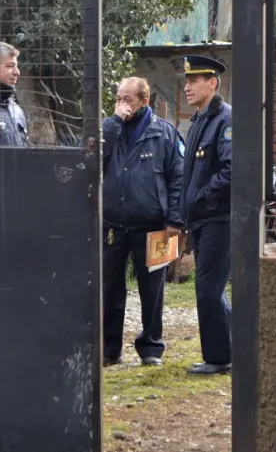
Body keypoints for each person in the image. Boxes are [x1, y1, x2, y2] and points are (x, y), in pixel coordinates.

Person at [101, 77, 184, 367]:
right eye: (119, 98)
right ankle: (109, 349)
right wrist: (112, 122)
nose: (122, 104)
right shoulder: (109, 129)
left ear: (144, 101)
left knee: (153, 290)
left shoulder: (165, 134)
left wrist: (175, 219)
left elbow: (179, 179)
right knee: (110, 287)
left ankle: (151, 348)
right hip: (112, 225)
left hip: (155, 226)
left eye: (128, 99)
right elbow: (88, 157)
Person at [179, 54, 232, 375]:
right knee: (210, 288)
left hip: (217, 218)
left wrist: (202, 198)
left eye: (193, 80)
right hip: (200, 217)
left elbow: (231, 170)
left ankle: (219, 357)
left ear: (211, 83)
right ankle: (233, 346)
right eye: (186, 81)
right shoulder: (200, 119)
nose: (186, 86)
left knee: (208, 288)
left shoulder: (225, 119)